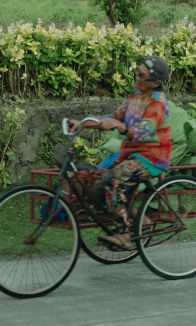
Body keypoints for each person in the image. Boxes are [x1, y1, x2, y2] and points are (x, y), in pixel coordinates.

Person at [68, 56, 173, 250]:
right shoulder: (135, 95)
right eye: (137, 73)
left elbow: (141, 133)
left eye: (142, 76)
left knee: (112, 179)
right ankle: (141, 221)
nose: (137, 78)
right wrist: (82, 123)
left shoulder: (157, 104)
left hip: (152, 158)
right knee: (96, 186)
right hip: (132, 154)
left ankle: (124, 235)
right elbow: (114, 117)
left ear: (156, 82)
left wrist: (121, 127)